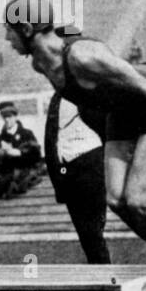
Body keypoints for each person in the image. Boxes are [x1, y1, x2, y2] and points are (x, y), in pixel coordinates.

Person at [3, 0, 146, 291]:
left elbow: (140, 82)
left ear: (27, 30)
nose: (7, 38)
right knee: (114, 198)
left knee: (138, 199)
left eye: (9, 30)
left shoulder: (82, 55)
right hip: (120, 113)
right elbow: (90, 94)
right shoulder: (41, 65)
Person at [46, 92, 110, 264]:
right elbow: (50, 138)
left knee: (93, 229)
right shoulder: (57, 98)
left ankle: (105, 278)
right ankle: (100, 274)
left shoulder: (91, 91)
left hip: (91, 162)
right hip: (67, 167)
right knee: (84, 232)